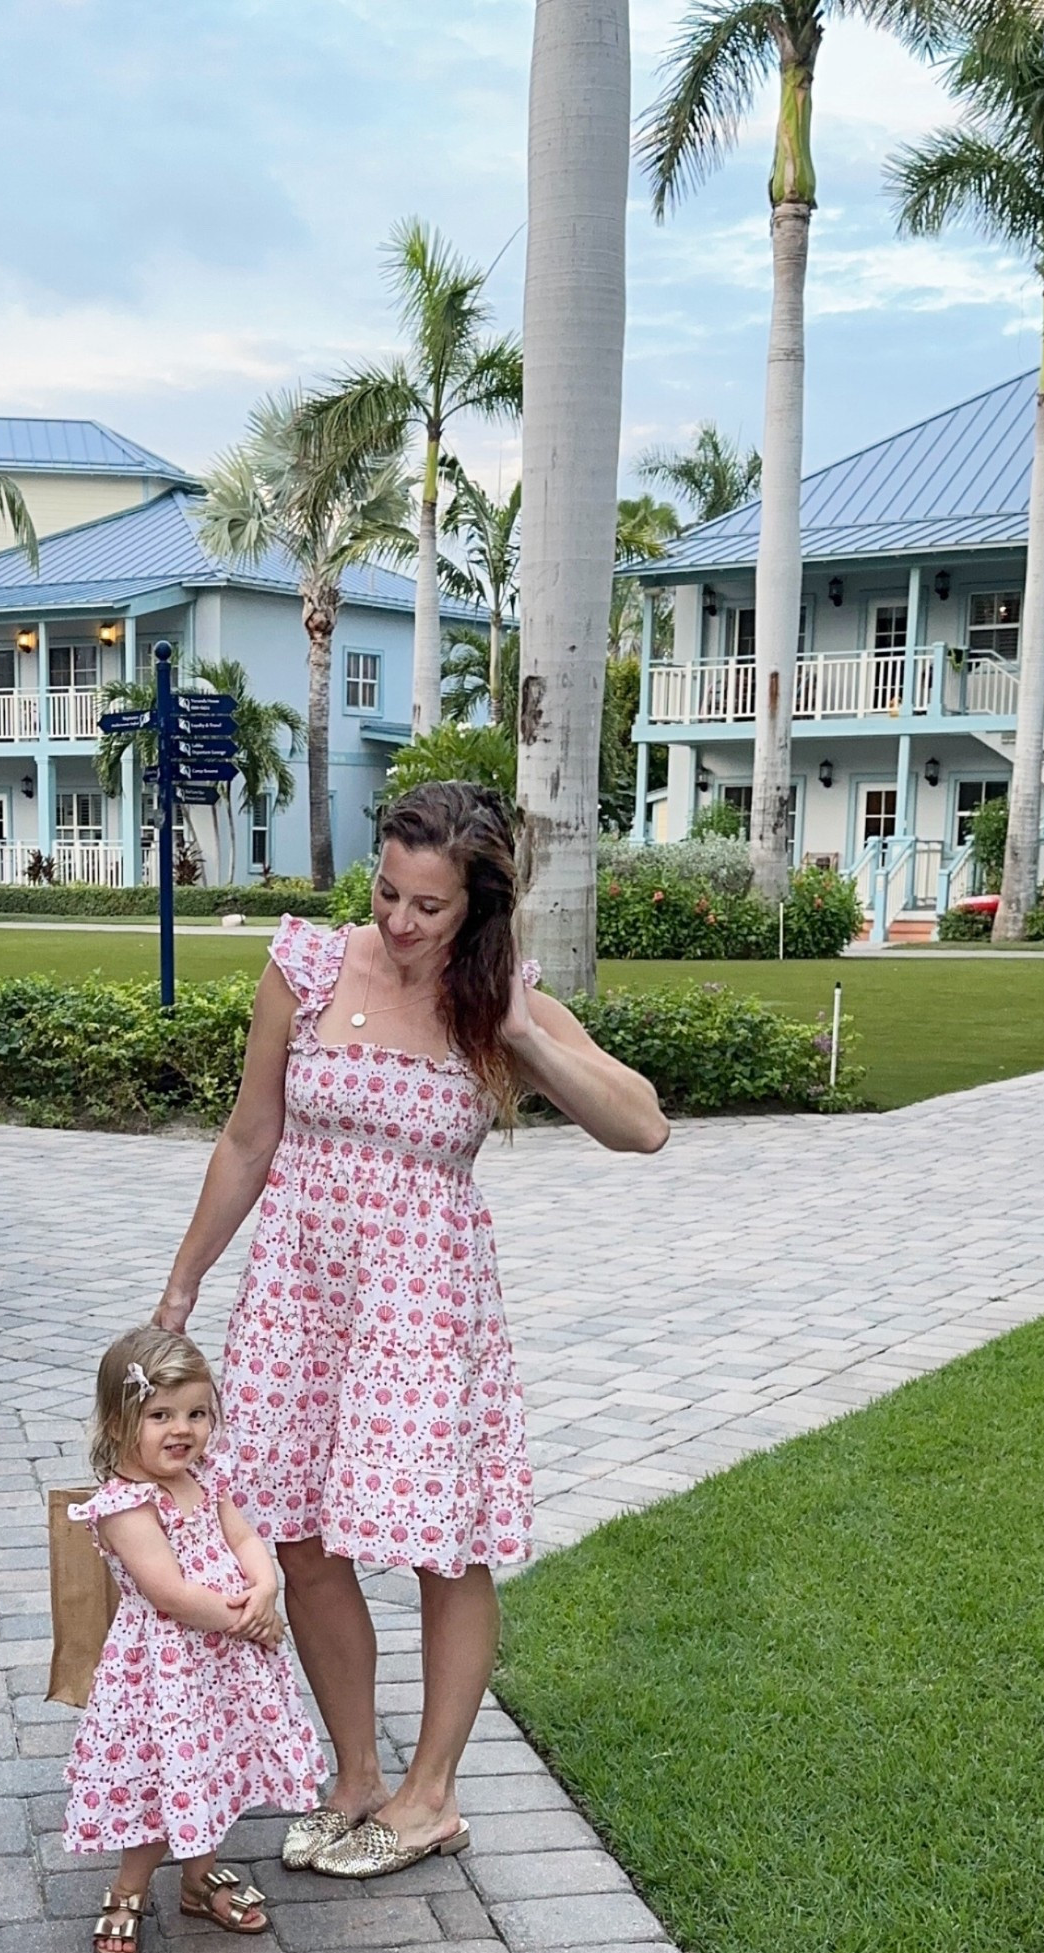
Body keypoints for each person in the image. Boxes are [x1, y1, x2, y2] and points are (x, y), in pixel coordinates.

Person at [153, 780, 668, 1879]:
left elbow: (644, 1126)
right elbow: (250, 1138)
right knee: (297, 1533)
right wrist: (183, 1283)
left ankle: (430, 1793)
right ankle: (354, 1778)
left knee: (446, 1544)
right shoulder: (303, 962)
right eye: (388, 891)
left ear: (479, 908)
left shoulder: (499, 1001)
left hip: (422, 1309)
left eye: (429, 906)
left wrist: (523, 1027)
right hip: (299, 1293)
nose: (399, 921)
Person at [62, 1326, 325, 1953]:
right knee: (163, 1781)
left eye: (197, 1414)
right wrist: (251, 1621)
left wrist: (266, 1586)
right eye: (160, 1415)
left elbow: (242, 1539)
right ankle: (128, 1888)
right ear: (120, 1422)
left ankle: (198, 1879)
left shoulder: (204, 1478)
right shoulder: (125, 1507)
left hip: (223, 1667)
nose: (182, 1429)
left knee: (214, 1773)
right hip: (166, 1674)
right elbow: (170, 1592)